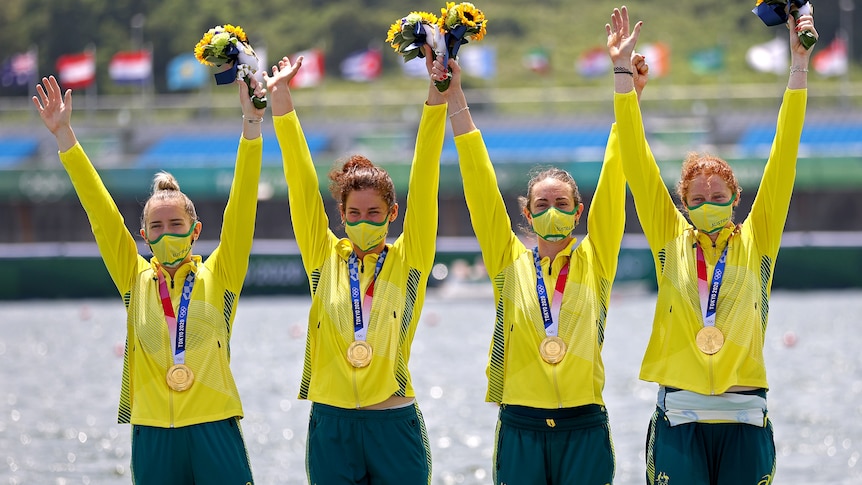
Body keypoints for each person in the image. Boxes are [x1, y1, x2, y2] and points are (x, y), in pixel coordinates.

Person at [608, 5, 817, 484]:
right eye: (697, 198)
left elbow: (785, 148)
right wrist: (622, 77)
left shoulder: (758, 236)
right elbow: (637, 161)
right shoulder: (669, 235)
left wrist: (799, 66)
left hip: (745, 417)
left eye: (717, 196)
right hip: (679, 417)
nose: (707, 203)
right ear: (681, 202)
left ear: (735, 199)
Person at [32, 74, 266, 484]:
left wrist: (251, 127)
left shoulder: (222, 273)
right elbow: (101, 214)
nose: (166, 232)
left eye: (176, 223)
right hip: (153, 433)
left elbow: (243, 204)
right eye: (156, 226)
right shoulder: (134, 278)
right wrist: (65, 136)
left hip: (215, 427)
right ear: (144, 235)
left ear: (195, 231)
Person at [433, 43, 649, 483]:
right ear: (527, 213)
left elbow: (616, 169)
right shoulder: (506, 259)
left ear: (578, 210)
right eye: (542, 203)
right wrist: (455, 95)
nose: (553, 210)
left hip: (584, 424)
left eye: (562, 203)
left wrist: (628, 87)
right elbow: (478, 182)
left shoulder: (596, 257)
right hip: (521, 425)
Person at [265, 45, 446, 484]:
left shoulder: (411, 257)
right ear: (341, 216)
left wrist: (437, 94)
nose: (363, 222)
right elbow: (300, 182)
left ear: (392, 214)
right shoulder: (322, 255)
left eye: (374, 214)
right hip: (333, 425)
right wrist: (281, 101)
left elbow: (425, 175)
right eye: (354, 215)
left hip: (394, 423)